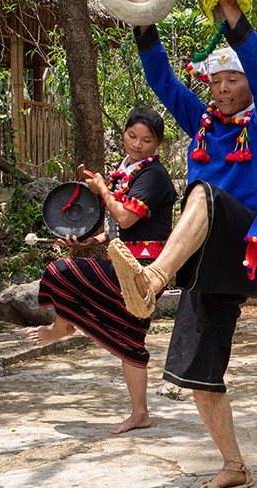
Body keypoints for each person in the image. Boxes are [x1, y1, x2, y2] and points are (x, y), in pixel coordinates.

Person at [111, 0, 257, 488]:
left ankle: (151, 280)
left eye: (234, 79)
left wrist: (231, 9)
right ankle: (234, 465)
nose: (226, 87)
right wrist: (143, 19)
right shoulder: (199, 123)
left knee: (203, 193)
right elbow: (161, 80)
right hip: (210, 258)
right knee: (198, 369)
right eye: (217, 80)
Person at [27, 108, 177, 434]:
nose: (137, 144)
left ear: (159, 144)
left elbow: (125, 218)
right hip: (125, 263)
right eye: (132, 136)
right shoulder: (129, 169)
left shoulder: (152, 176)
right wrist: (85, 243)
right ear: (124, 133)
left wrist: (103, 191)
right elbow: (116, 231)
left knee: (60, 271)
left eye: (146, 140)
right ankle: (140, 414)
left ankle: (63, 325)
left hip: (146, 270)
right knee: (129, 339)